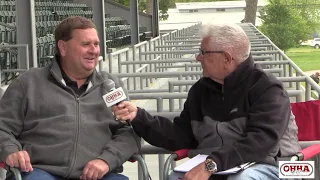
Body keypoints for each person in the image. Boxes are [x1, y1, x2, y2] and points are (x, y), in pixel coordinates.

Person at [112, 23, 301, 180]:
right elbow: (181, 136)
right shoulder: (200, 90)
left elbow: (260, 143)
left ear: (226, 58)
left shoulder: (267, 89)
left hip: (268, 166)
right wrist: (138, 116)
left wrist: (211, 165)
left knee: (242, 179)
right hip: (215, 165)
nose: (197, 58)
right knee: (174, 178)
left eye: (203, 52)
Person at [0, 16, 138, 180]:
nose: (94, 50)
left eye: (96, 44)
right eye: (85, 44)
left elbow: (129, 132)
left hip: (98, 175)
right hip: (39, 172)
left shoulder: (111, 85)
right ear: (63, 47)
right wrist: (10, 150)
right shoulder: (28, 83)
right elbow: (3, 127)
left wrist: (106, 160)